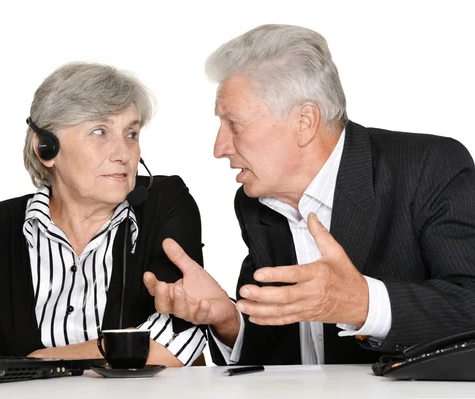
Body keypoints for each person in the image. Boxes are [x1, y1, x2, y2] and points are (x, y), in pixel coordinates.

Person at [143, 24, 475, 365]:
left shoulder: (428, 167)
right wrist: (228, 321)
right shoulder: (255, 203)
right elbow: (285, 351)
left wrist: (363, 303)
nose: (219, 148)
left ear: (305, 121)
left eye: (234, 125)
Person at [0, 62, 206, 367]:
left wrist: (41, 361)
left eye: (131, 133)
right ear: (46, 148)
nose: (123, 153)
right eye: (100, 131)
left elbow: (179, 339)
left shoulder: (166, 202)